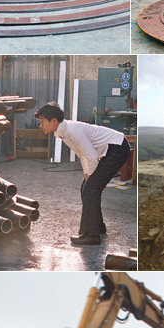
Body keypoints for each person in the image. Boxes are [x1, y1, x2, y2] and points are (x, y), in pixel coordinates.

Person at [35, 102, 131, 246]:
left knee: (91, 190)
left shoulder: (72, 130)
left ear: (54, 121)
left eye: (43, 122)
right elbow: (82, 155)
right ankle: (98, 227)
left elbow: (91, 156)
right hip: (112, 149)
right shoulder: (63, 132)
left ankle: (92, 236)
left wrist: (91, 176)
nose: (41, 125)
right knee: (87, 188)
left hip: (117, 148)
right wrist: (87, 174)